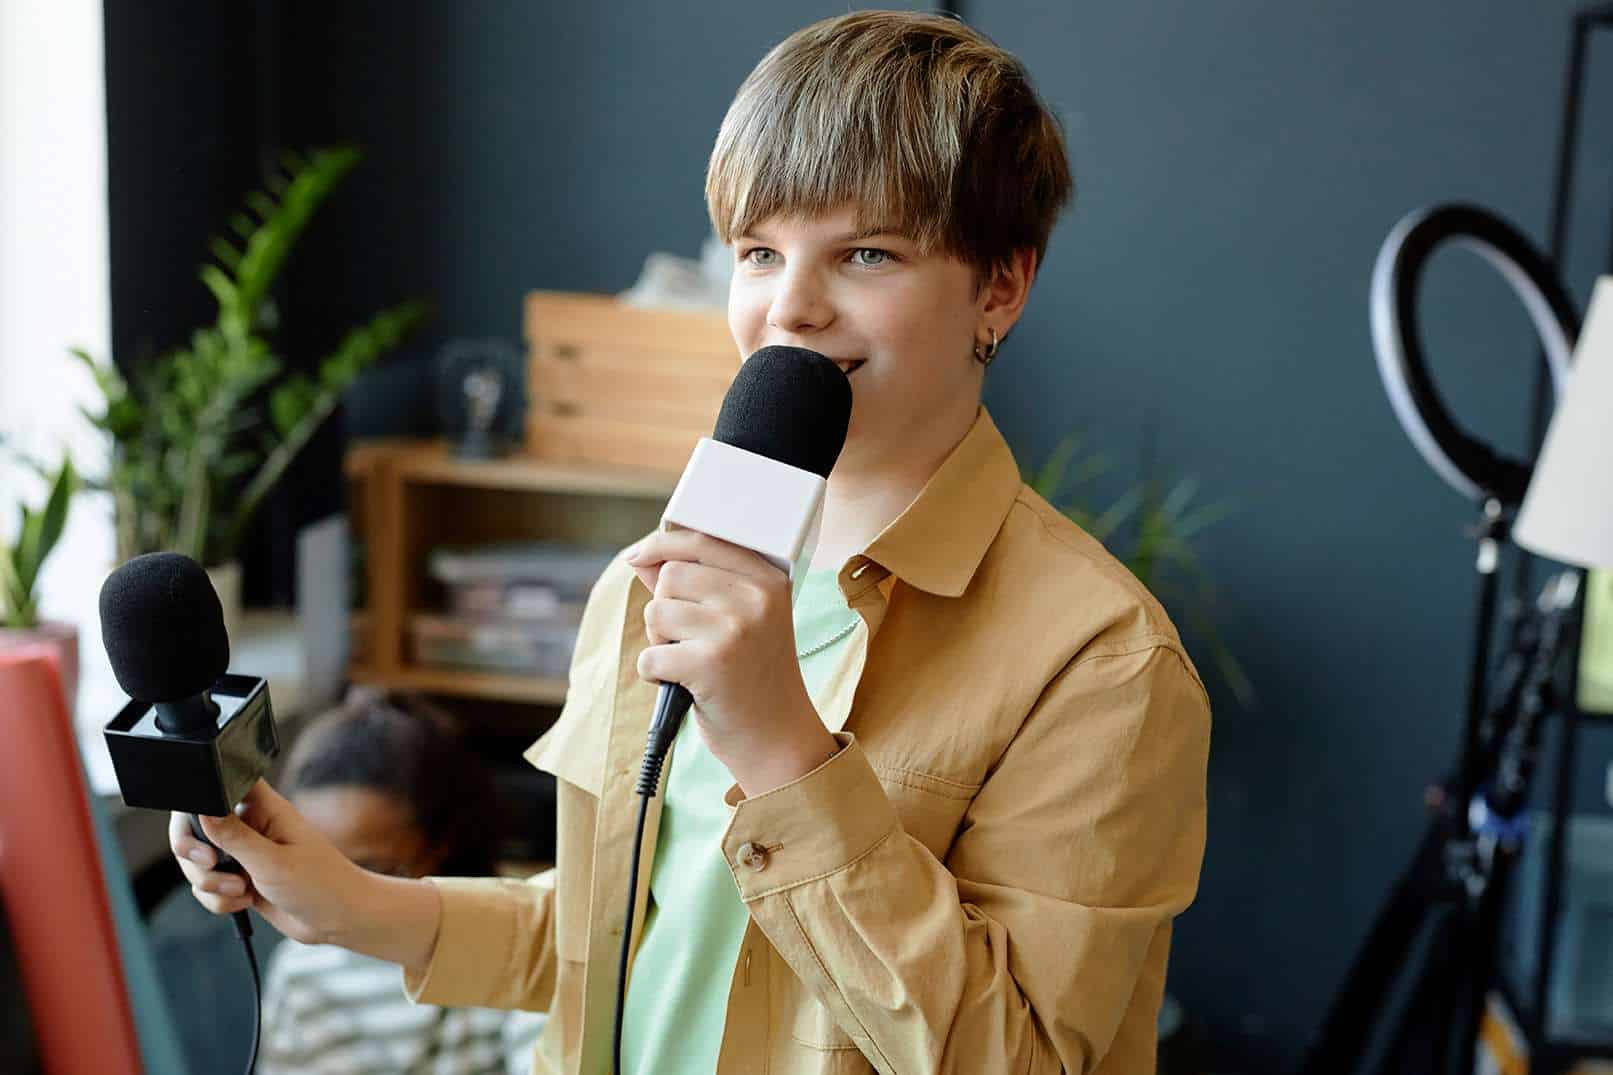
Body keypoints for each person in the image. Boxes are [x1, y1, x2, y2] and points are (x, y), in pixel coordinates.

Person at [172, 11, 1212, 1074]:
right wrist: (350, 902)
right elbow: (615, 935)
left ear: (1000, 285)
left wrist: (783, 750)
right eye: (758, 252)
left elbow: (1020, 1058)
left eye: (865, 253)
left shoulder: (1102, 664)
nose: (789, 308)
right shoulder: (662, 575)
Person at [251, 690, 545, 1074]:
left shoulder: (518, 947)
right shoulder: (301, 972)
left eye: (373, 870)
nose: (334, 896)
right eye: (313, 872)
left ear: (441, 842)